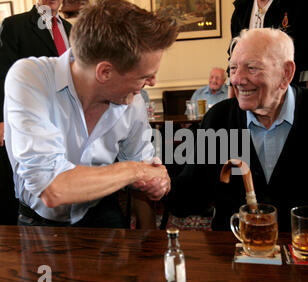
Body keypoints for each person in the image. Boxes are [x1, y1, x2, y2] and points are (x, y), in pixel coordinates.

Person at [167, 28, 308, 271]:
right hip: (235, 264)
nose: (237, 79)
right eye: (233, 68)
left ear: (286, 73)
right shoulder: (220, 119)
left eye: (251, 68)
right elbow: (190, 194)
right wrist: (157, 180)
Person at [4, 0, 178, 228]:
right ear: (105, 72)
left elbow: (145, 173)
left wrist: (157, 182)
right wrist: (135, 171)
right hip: (39, 221)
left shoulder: (132, 101)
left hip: (103, 212)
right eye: (144, 76)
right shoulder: (30, 78)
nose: (151, 83)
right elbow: (53, 189)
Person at [0, 0, 72, 224]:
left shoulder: (71, 29)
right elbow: (3, 72)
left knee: (61, 174)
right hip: (30, 119)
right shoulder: (14, 25)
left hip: (66, 118)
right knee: (30, 183)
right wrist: (1, 120)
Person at [229, 0, 308, 98]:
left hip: (306, 96)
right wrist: (232, 110)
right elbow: (234, 60)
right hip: (263, 103)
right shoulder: (242, 9)